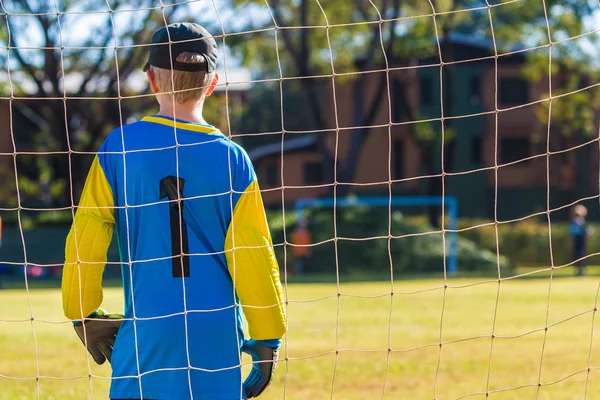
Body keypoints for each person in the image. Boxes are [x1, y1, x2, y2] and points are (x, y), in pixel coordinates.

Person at [61, 22, 286, 400]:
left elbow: (88, 233)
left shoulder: (120, 148)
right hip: (215, 333)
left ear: (150, 79)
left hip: (148, 327)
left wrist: (81, 311)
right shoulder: (233, 159)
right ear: (212, 84)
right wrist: (268, 337)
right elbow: (254, 252)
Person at [570, 204, 592, 276]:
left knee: (582, 255)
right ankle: (578, 270)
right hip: (577, 240)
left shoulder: (583, 222)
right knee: (576, 255)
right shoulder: (574, 222)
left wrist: (587, 240)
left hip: (581, 240)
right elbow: (571, 233)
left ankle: (582, 270)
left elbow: (586, 233)